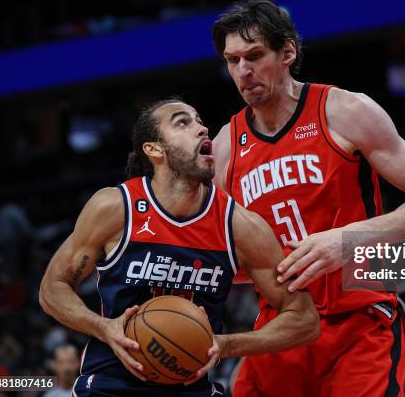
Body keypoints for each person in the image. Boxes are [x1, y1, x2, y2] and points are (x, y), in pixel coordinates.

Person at [211, 0, 405, 397]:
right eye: (233, 61)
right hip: (281, 326)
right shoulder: (225, 147)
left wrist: (346, 240)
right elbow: (223, 259)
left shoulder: (342, 110)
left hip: (358, 319)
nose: (243, 71)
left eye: (254, 56)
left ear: (287, 52)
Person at [39, 98, 319, 397]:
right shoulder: (116, 208)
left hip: (192, 386)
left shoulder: (239, 225)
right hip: (112, 385)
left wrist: (227, 344)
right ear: (154, 149)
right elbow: (52, 287)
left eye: (199, 121)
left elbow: (304, 319)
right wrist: (102, 326)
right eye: (183, 122)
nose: (201, 128)